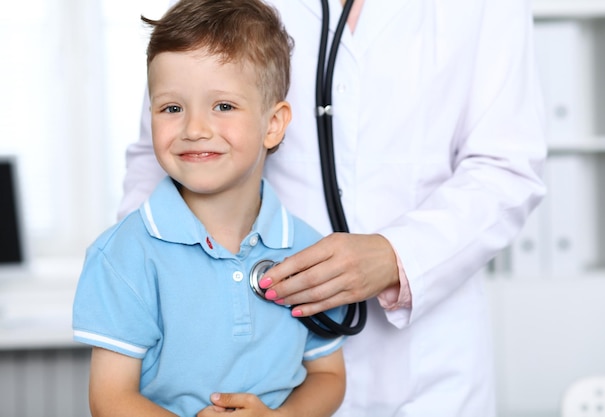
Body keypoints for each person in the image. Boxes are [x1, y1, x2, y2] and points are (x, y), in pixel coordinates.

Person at [120, 0, 547, 416]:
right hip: (257, 355)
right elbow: (164, 143)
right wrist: (139, 275)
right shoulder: (127, 260)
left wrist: (397, 255)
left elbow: (505, 165)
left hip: (428, 365)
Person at [72, 1, 348, 416]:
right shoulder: (124, 257)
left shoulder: (308, 253)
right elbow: (110, 399)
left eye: (223, 106)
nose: (194, 129)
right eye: (172, 108)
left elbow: (329, 376)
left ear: (273, 124)